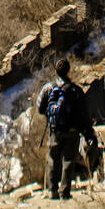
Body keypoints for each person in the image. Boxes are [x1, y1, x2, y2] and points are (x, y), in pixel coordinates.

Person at [36, 58, 98, 200]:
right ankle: (65, 191)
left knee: (52, 159)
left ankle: (52, 190)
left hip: (55, 131)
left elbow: (40, 108)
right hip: (72, 131)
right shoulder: (76, 90)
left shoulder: (49, 88)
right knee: (69, 160)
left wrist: (51, 114)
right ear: (69, 71)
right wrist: (89, 133)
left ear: (56, 72)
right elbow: (84, 115)